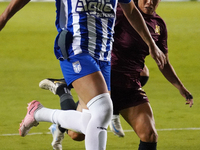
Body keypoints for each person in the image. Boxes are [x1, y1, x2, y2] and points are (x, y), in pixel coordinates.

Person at [0, 0, 167, 149]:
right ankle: (39, 112)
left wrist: (151, 45)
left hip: (103, 57)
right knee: (103, 110)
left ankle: (38, 112)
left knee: (89, 123)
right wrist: (3, 18)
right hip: (75, 49)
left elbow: (131, 11)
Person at [110, 0, 193, 149]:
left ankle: (112, 110)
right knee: (76, 134)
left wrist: (181, 88)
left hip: (131, 86)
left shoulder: (158, 24)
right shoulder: (120, 12)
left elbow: (164, 62)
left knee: (150, 135)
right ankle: (63, 117)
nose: (150, 2)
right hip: (106, 82)